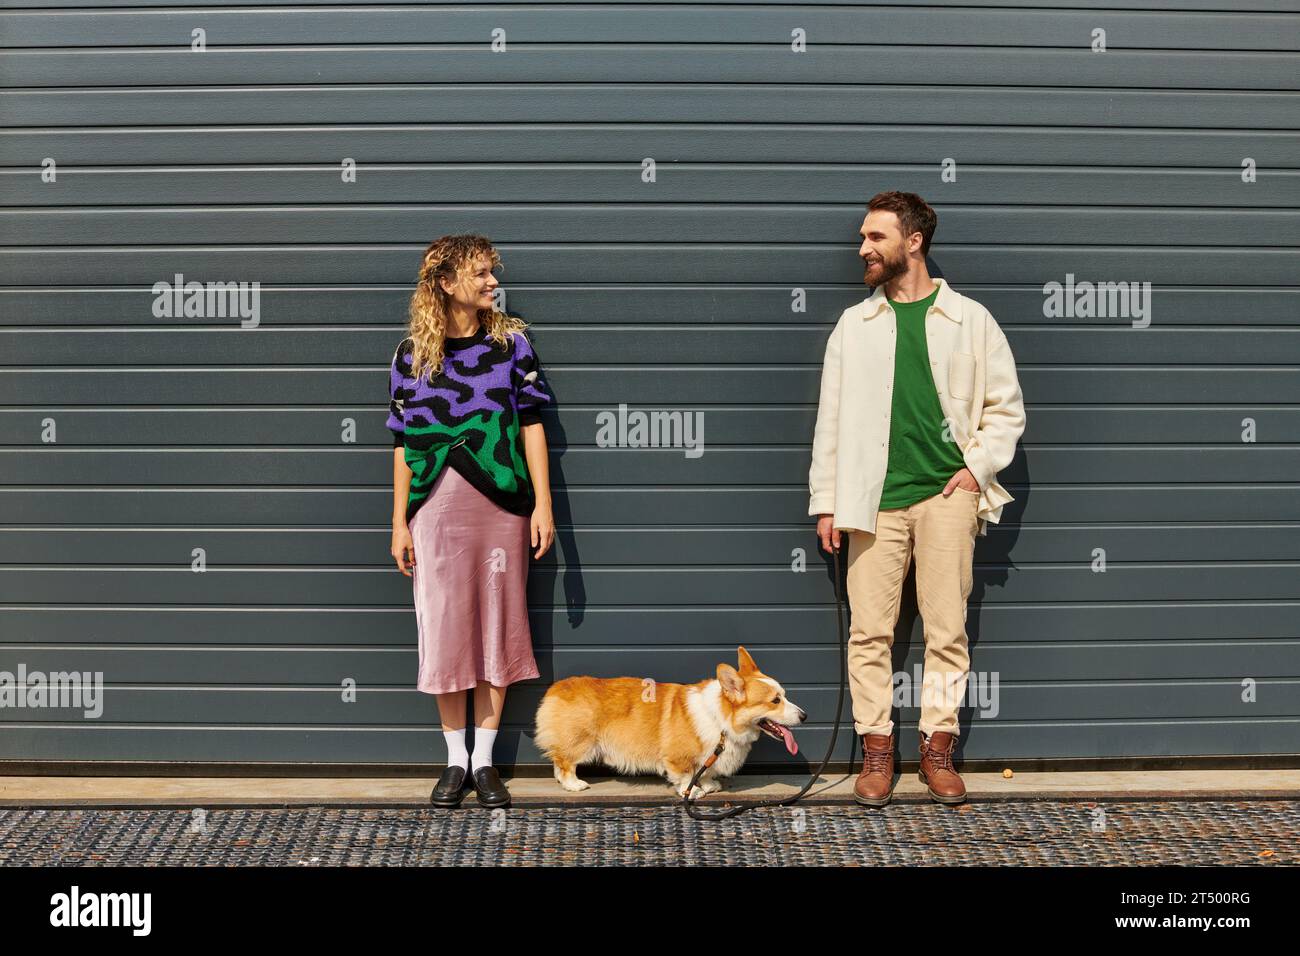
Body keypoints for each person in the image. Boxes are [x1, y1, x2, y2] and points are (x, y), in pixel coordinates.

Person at [809, 191, 1026, 807]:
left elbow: (1006, 410)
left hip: (946, 498)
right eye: (862, 237)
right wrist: (827, 501)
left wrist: (974, 470)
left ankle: (938, 748)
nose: (863, 249)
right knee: (869, 633)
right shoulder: (855, 325)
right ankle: (877, 751)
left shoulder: (970, 319)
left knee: (946, 629)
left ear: (914, 241)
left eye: (875, 237)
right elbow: (831, 420)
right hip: (872, 502)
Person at [387, 234, 555, 809]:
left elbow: (532, 424)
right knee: (445, 628)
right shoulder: (411, 355)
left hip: (502, 506)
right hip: (434, 513)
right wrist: (398, 521)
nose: (491, 282)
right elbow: (401, 442)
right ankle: (454, 761)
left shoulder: (512, 343)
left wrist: (542, 504)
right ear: (445, 282)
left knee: (497, 626)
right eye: (479, 273)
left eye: (491, 272)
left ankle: (484, 763)